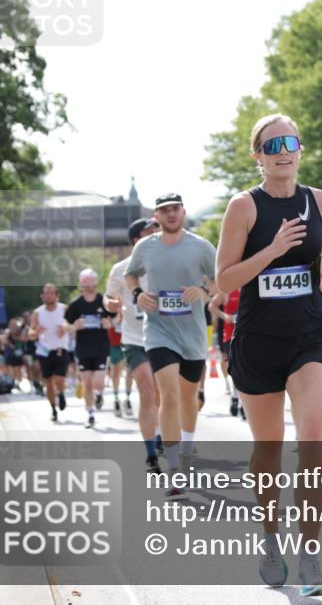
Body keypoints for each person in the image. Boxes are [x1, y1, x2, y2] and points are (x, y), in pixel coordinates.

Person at [215, 113, 322, 595]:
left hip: (310, 334)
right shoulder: (244, 206)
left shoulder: (319, 200)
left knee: (313, 441)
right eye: (272, 145)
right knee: (268, 450)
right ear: (258, 156)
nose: (283, 151)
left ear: (300, 148)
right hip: (258, 341)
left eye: (290, 142)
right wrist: (270, 251)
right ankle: (271, 537)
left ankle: (310, 556)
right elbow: (224, 279)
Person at [126, 194, 216, 491]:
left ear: (183, 212)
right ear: (157, 216)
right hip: (159, 330)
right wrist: (138, 294)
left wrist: (203, 292)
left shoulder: (201, 246)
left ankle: (186, 451)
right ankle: (175, 468)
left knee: (188, 399)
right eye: (164, 210)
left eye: (175, 209)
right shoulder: (145, 247)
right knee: (168, 395)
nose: (171, 214)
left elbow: (220, 281)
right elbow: (130, 275)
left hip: (192, 333)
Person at [106, 217, 164, 473]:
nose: (156, 235)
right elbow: (109, 297)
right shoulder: (120, 269)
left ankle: (162, 434)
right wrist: (112, 304)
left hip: (165, 337)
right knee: (147, 390)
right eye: (150, 231)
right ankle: (151, 454)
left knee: (163, 394)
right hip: (134, 339)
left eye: (157, 230)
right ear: (136, 239)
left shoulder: (167, 263)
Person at [64, 269, 116, 429]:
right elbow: (65, 324)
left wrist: (110, 324)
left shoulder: (103, 301)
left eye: (94, 283)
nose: (92, 286)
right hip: (83, 349)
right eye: (88, 284)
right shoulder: (76, 304)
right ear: (82, 285)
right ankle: (90, 414)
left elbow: (117, 316)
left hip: (101, 347)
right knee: (87, 383)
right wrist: (74, 327)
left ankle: (99, 394)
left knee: (98, 383)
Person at [29, 284, 69, 421]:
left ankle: (61, 393)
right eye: (46, 293)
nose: (49, 295)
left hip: (60, 349)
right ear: (42, 296)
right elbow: (31, 334)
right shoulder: (37, 313)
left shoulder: (64, 309)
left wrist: (65, 328)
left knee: (59, 379)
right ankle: (53, 409)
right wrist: (36, 332)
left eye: (52, 293)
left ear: (57, 296)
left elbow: (73, 324)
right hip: (44, 351)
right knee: (48, 382)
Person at [208, 289, 245, 420]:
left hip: (247, 335)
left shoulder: (250, 287)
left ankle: (241, 402)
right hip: (230, 336)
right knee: (236, 370)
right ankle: (236, 396)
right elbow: (211, 306)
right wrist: (225, 317)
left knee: (245, 370)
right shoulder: (228, 290)